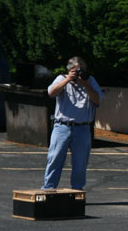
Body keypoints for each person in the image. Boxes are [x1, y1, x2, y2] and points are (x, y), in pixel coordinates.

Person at [42, 56, 103, 191]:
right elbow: (51, 92)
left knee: (80, 163)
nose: (80, 74)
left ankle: (77, 190)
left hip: (82, 128)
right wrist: (68, 80)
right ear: (70, 70)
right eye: (77, 71)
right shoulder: (61, 78)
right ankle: (48, 189)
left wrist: (85, 84)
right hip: (62, 127)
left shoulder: (90, 81)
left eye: (82, 70)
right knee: (54, 159)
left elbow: (97, 100)